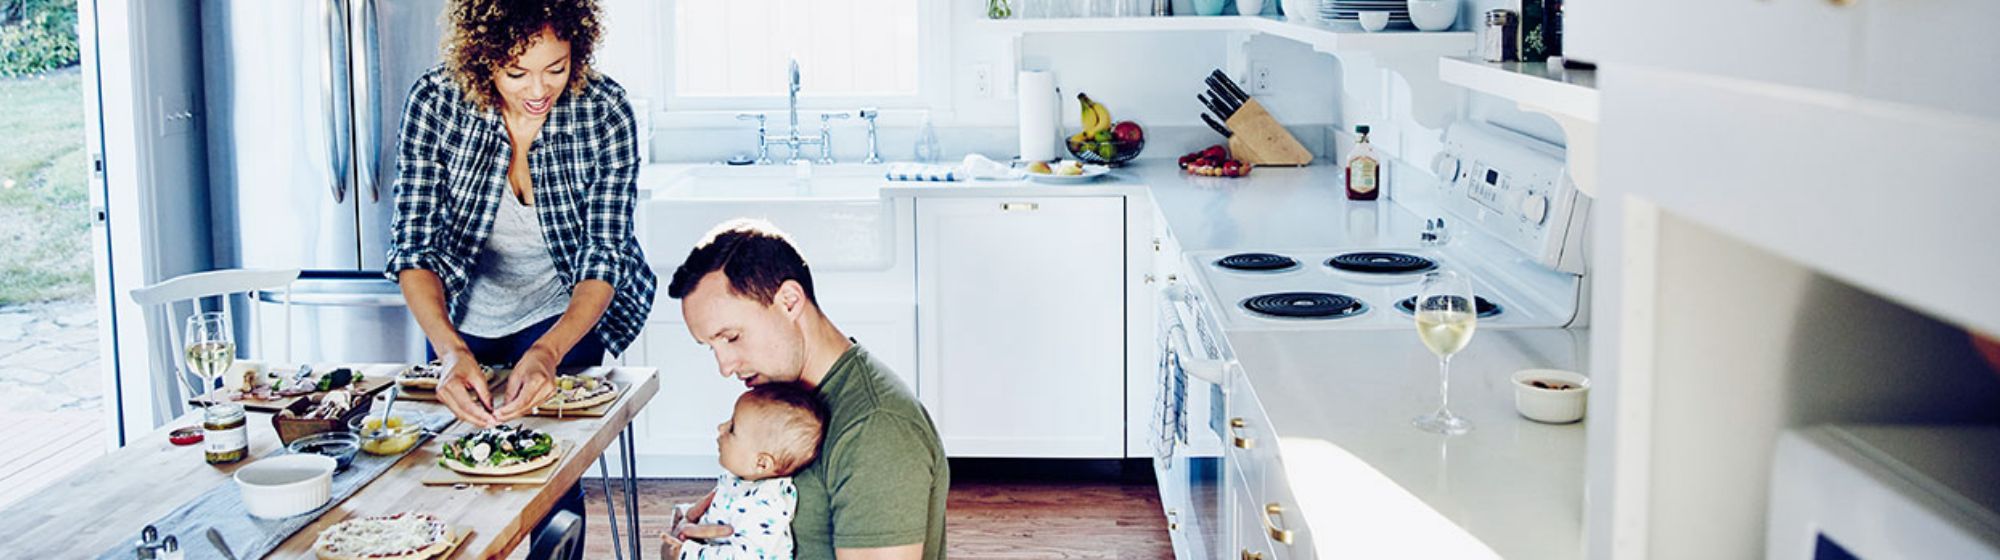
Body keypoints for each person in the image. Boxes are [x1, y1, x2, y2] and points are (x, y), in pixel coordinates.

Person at [384, 0, 652, 554]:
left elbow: (603, 257)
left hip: (566, 305)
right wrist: (451, 351)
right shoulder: (435, 103)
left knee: (546, 464)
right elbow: (415, 248)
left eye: (556, 67)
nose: (539, 89)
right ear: (483, 60)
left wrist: (550, 353)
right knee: (456, 462)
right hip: (462, 307)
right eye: (516, 72)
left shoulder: (605, 112)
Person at [668, 219, 950, 560]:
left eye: (732, 337)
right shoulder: (783, 404)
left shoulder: (875, 430)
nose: (724, 366)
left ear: (788, 301)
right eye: (711, 346)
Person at [661, 383, 828, 559]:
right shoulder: (742, 482)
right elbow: (724, 516)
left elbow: (745, 556)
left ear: (762, 463)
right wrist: (688, 515)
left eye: (732, 428)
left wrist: (688, 553)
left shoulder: (764, 505)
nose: (721, 427)